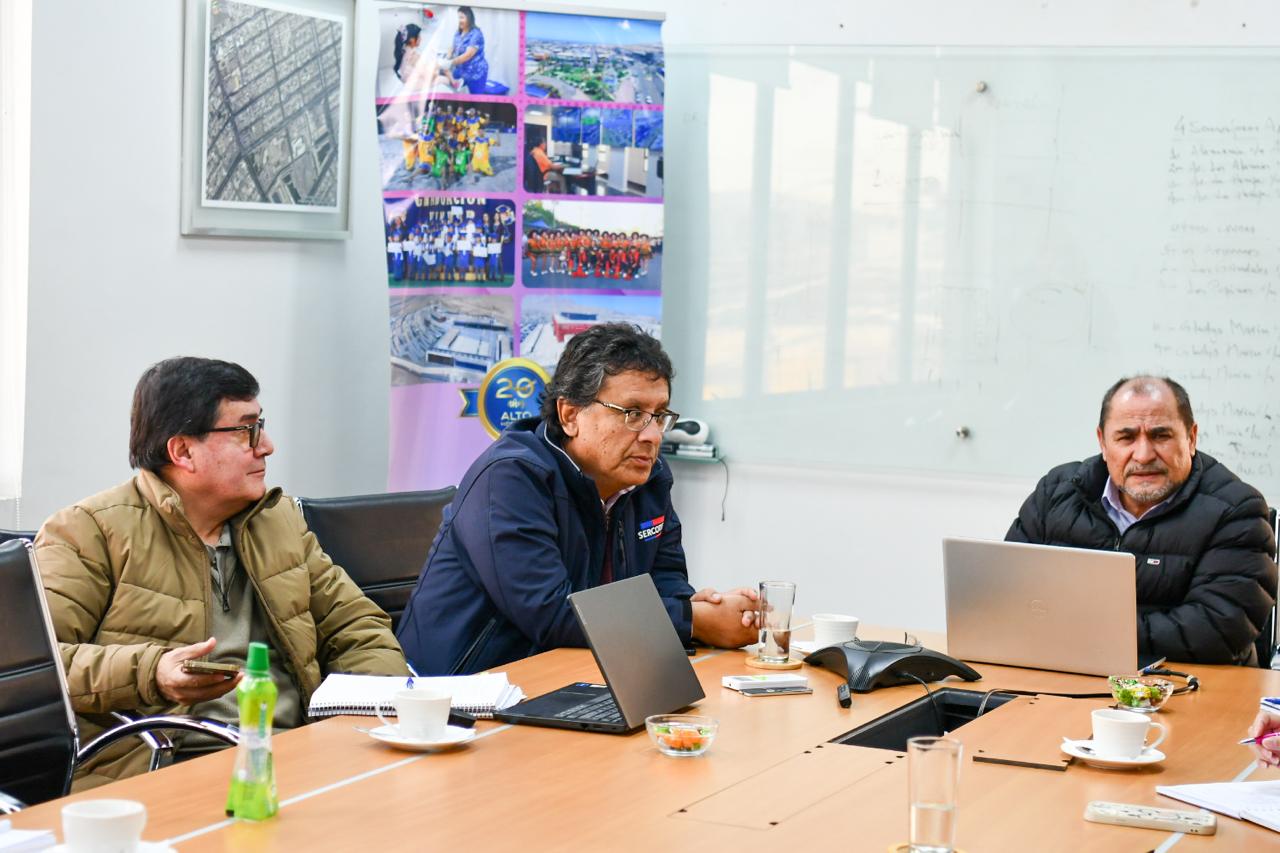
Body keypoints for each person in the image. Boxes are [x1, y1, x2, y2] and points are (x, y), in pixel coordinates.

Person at [36, 358, 408, 789]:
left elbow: (358, 627)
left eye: (261, 426)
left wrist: (359, 722)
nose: (267, 446)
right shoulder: (88, 531)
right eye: (246, 430)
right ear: (183, 451)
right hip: (168, 768)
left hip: (298, 755)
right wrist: (152, 672)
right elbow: (39, 670)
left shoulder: (278, 521)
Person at [397, 324, 759, 674]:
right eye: (633, 413)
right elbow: (551, 612)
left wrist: (700, 609)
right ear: (570, 415)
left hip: (576, 676)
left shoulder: (650, 477)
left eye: (659, 415)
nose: (652, 435)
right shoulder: (510, 477)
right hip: (461, 693)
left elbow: (665, 579)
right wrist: (693, 620)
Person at [1007, 375, 1277, 665]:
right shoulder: (1055, 493)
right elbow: (1007, 591)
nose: (1144, 455)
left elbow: (1215, 630)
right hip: (1062, 672)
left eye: (1161, 436)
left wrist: (1083, 629)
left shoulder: (1236, 510)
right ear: (1102, 442)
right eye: (1126, 437)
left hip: (1187, 683)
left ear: (1191, 438)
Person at [438, 7, 489, 95]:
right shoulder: (458, 33)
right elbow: (453, 47)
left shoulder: (476, 34)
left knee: (476, 98)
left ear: (469, 18)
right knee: (454, 90)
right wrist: (448, 57)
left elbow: (468, 55)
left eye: (462, 17)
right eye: (458, 17)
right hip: (461, 70)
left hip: (476, 72)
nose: (459, 20)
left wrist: (451, 62)